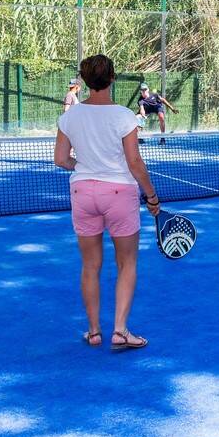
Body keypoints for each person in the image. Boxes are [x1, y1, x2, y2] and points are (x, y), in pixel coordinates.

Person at [55, 55, 160, 350]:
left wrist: (83, 167)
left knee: (90, 266)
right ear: (112, 77)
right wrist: (151, 195)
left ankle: (94, 332)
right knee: (127, 263)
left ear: (85, 80)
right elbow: (134, 162)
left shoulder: (69, 117)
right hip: (119, 194)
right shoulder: (125, 116)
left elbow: (61, 160)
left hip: (82, 193)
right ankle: (120, 331)